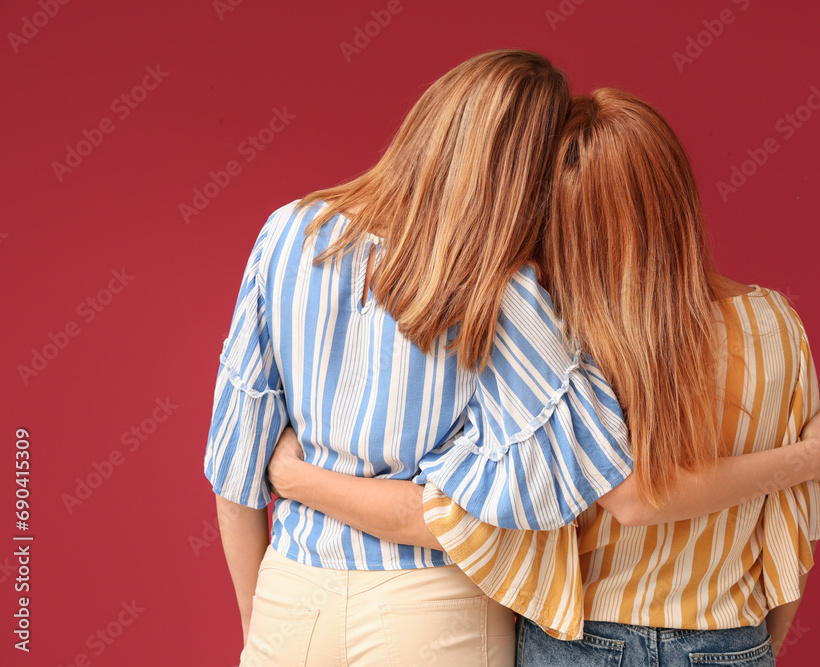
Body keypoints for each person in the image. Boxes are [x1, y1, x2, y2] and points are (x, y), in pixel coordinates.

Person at [264, 87, 820, 665]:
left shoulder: (561, 338)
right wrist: (749, 646)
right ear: (680, 194)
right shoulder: (776, 325)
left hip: (579, 644)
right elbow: (794, 532)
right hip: (730, 637)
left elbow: (470, 517)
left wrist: (295, 478)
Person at [205, 50, 637, 666]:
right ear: (526, 175)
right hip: (435, 612)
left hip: (289, 592)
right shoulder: (503, 291)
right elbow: (581, 465)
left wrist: (261, 623)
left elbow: (234, 478)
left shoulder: (287, 233)